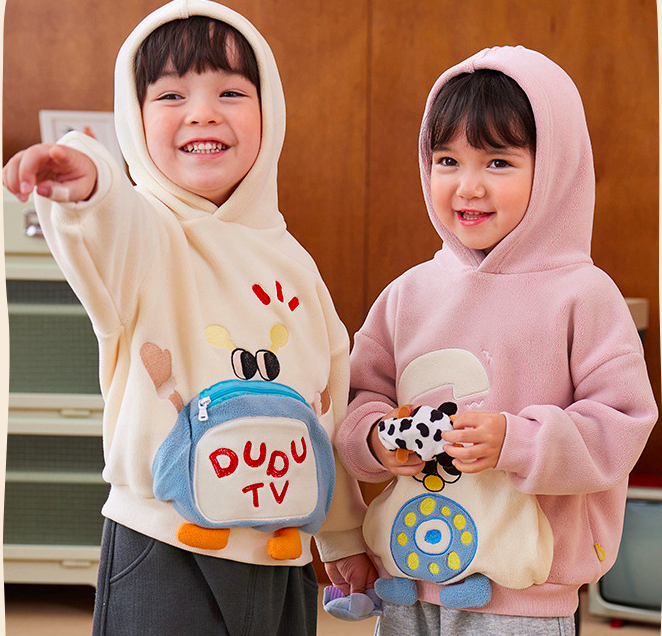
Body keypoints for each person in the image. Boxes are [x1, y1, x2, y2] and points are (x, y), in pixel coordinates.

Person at [2, 1, 376, 634]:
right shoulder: (148, 237)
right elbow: (109, 222)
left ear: (270, 113)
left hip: (280, 551)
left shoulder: (294, 262)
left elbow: (328, 402)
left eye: (230, 92)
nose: (202, 112)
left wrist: (341, 532)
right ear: (134, 119)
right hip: (164, 547)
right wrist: (86, 178)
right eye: (172, 95)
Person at [335, 45, 657, 636]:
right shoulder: (408, 294)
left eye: (498, 162)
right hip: (406, 579)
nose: (468, 187)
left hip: (523, 596)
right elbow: (357, 402)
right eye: (447, 160)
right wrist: (379, 441)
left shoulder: (584, 295)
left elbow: (621, 424)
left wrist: (516, 440)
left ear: (553, 168)